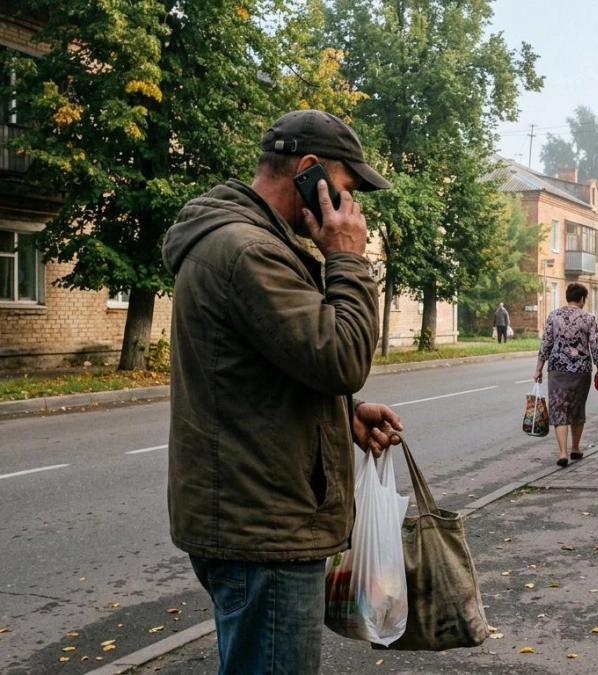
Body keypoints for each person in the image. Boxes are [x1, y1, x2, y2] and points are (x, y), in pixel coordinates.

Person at [162, 109, 403, 675]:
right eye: (344, 189)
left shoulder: (251, 242)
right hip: (264, 528)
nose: (350, 209)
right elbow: (343, 358)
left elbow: (270, 369)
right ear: (310, 170)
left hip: (258, 515)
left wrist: (341, 415)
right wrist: (347, 257)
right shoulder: (249, 250)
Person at [534, 282, 598, 467]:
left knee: (559, 409)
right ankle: (575, 448)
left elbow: (546, 343)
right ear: (582, 299)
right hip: (581, 371)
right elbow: (595, 346)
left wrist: (539, 368)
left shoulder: (554, 316)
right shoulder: (588, 318)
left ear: (567, 297)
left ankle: (562, 453)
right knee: (577, 409)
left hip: (557, 370)